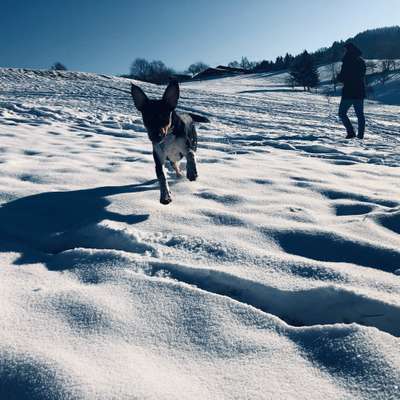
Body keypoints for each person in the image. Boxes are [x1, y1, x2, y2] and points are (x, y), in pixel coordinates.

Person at [337, 43, 366, 139]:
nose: (344, 51)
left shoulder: (346, 61)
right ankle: (360, 136)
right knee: (360, 115)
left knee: (342, 113)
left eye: (345, 49)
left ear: (348, 50)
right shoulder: (361, 61)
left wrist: (339, 77)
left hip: (348, 92)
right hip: (359, 92)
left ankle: (351, 132)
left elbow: (342, 78)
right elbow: (362, 75)